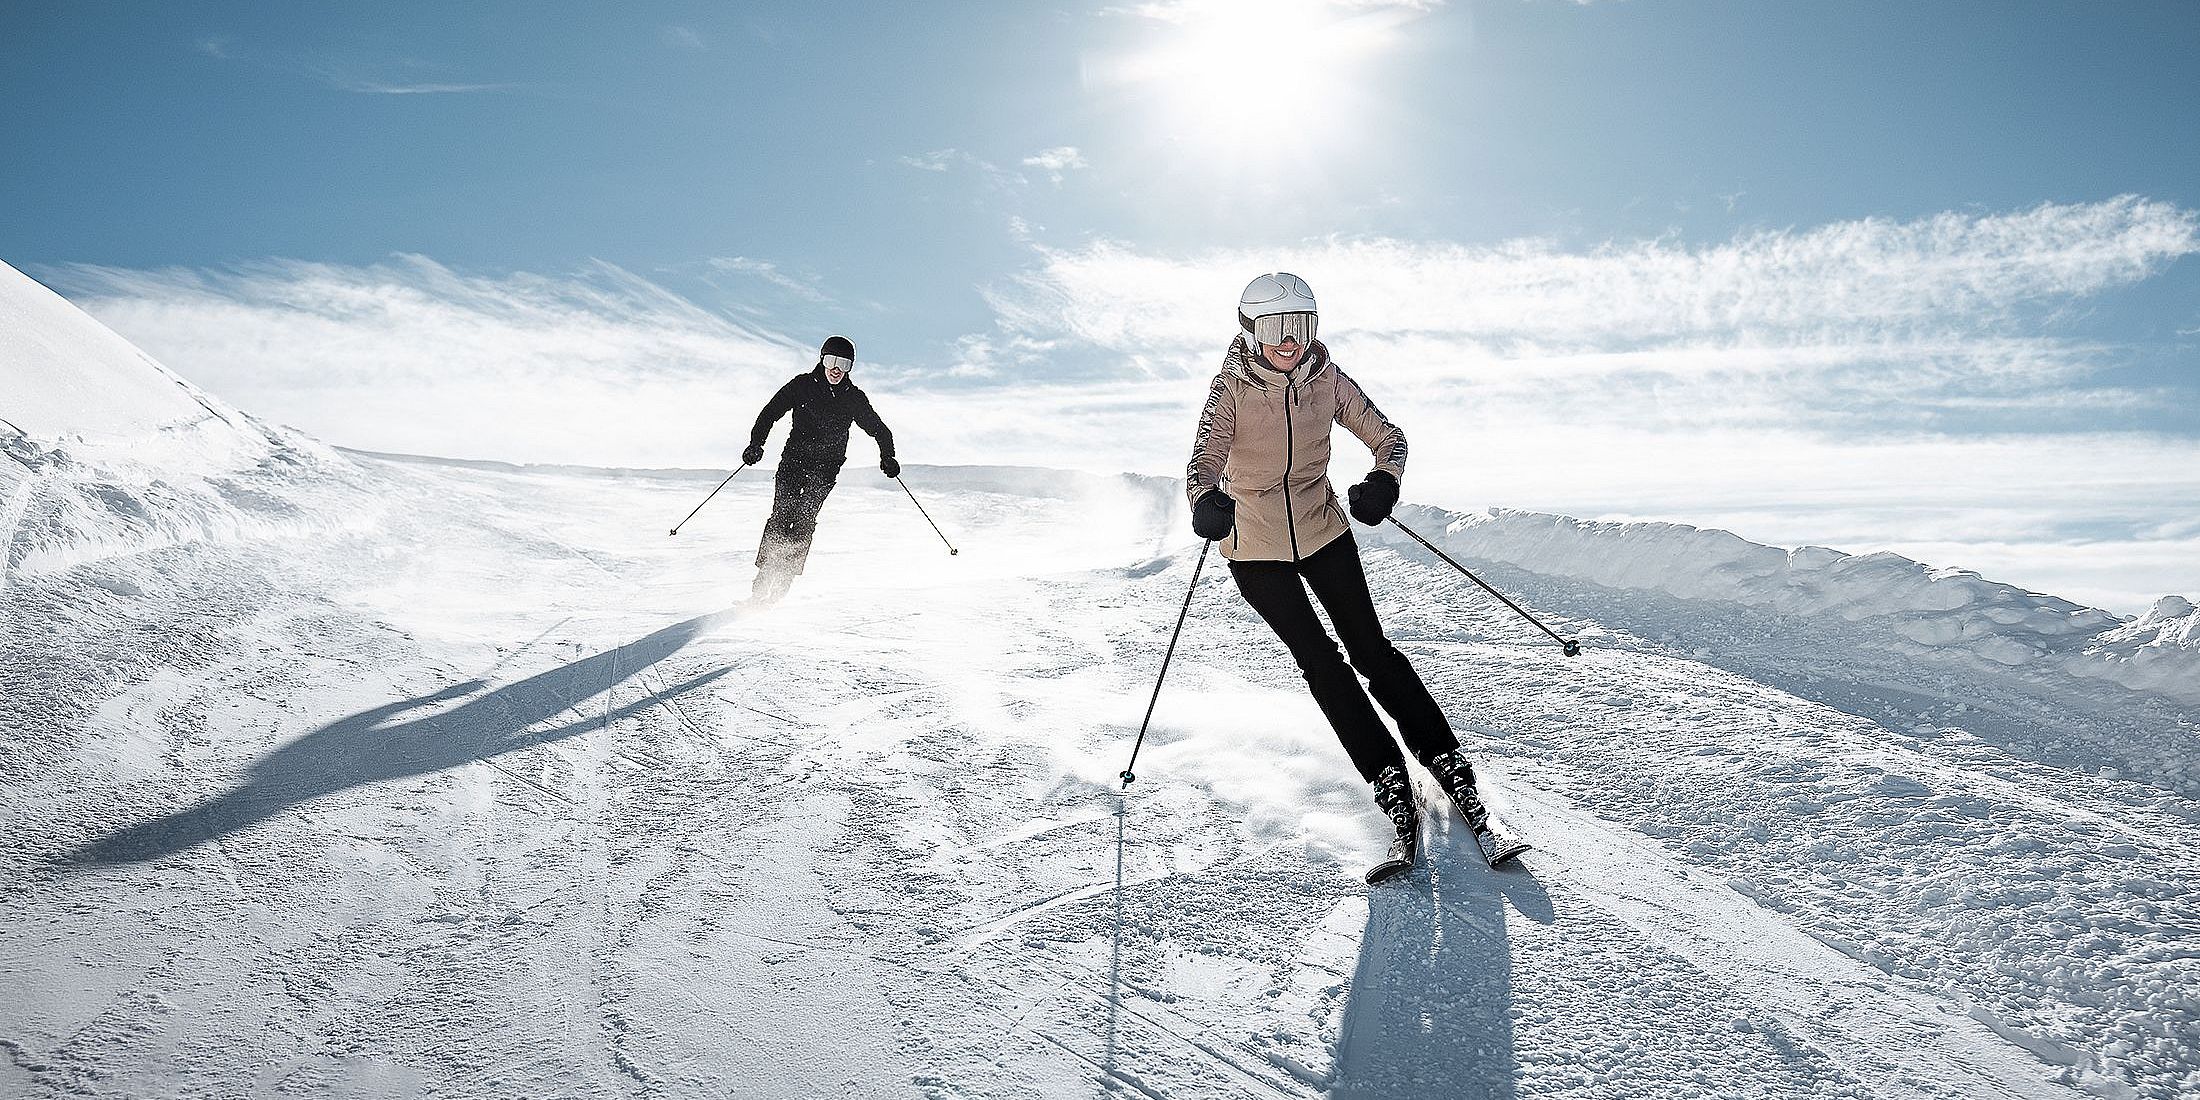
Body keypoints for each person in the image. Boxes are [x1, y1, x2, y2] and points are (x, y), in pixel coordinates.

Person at [1184, 273, 1526, 880]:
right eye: (1274, 328)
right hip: (1255, 548)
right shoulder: (1230, 390)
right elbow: (1204, 458)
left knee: (1371, 650)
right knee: (1322, 663)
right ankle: (1390, 782)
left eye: (1302, 327)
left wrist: (1384, 482)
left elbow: (1387, 436)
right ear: (1250, 331)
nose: (1289, 341)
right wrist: (1204, 500)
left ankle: (1451, 771)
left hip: (1322, 529)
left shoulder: (1327, 380)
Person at [742, 335, 898, 603]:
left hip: (825, 469)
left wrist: (888, 456)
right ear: (822, 359)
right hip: (794, 461)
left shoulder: (854, 398)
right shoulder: (802, 385)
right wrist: (756, 444)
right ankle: (764, 579)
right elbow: (770, 413)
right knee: (781, 516)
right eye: (832, 361)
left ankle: (782, 583)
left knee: (803, 520)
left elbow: (879, 429)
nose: (837, 369)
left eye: (845, 364)